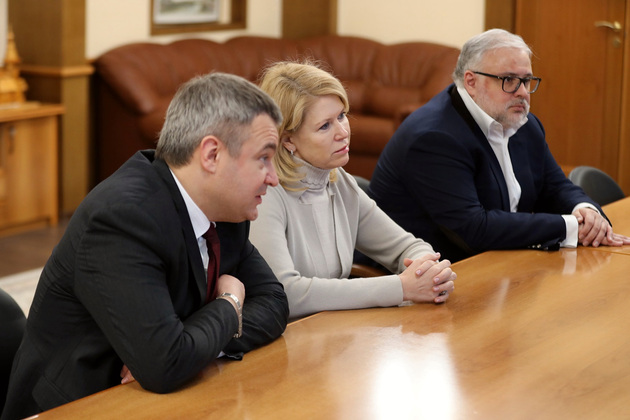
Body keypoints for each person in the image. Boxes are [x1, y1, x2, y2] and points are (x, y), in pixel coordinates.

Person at [1, 73, 289, 420]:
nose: (273, 177)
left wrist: (192, 345)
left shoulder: (227, 210)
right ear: (212, 154)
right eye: (263, 158)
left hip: (162, 401)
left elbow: (275, 303)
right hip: (77, 406)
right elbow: (166, 364)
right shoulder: (123, 218)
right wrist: (230, 303)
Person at [368, 29, 630, 263]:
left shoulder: (522, 122)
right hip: (433, 274)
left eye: (526, 80)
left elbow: (555, 186)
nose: (522, 92)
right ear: (471, 82)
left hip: (498, 260)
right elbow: (474, 229)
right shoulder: (434, 138)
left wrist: (584, 212)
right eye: (509, 80)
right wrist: (569, 227)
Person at [249, 61, 456, 320]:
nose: (343, 132)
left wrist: (430, 273)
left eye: (341, 116)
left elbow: (406, 246)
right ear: (288, 140)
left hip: (336, 332)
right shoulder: (264, 194)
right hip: (287, 338)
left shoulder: (339, 181)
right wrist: (401, 287)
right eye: (325, 126)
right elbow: (286, 292)